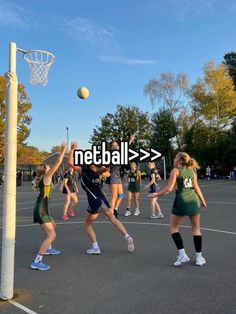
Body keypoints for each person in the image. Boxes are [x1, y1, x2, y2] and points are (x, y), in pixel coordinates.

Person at [68, 142, 134, 255]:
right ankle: (127, 237)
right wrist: (103, 168)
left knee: (87, 224)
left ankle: (95, 247)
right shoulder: (97, 171)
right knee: (112, 219)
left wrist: (72, 149)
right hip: (101, 198)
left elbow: (70, 162)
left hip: (94, 201)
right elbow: (107, 173)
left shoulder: (82, 170)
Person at [148, 152, 207, 267]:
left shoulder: (176, 170)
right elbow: (196, 187)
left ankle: (182, 254)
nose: (174, 159)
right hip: (194, 201)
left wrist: (155, 194)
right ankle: (199, 258)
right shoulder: (192, 171)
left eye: (175, 157)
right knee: (196, 229)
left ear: (180, 160)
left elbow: (169, 188)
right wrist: (202, 200)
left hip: (182, 201)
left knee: (174, 228)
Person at [30, 143, 67, 271]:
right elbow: (59, 161)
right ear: (45, 170)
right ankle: (37, 260)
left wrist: (58, 185)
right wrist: (63, 151)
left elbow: (49, 189)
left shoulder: (45, 179)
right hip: (41, 210)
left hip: (43, 209)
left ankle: (48, 249)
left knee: (54, 226)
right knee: (51, 235)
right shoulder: (47, 176)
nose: (48, 165)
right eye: (46, 165)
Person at [107, 135, 135, 218]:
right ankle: (111, 213)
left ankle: (115, 208)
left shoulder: (119, 153)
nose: (115, 146)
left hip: (118, 176)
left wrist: (130, 141)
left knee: (121, 195)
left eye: (116, 145)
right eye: (113, 145)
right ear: (111, 148)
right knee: (114, 196)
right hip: (113, 176)